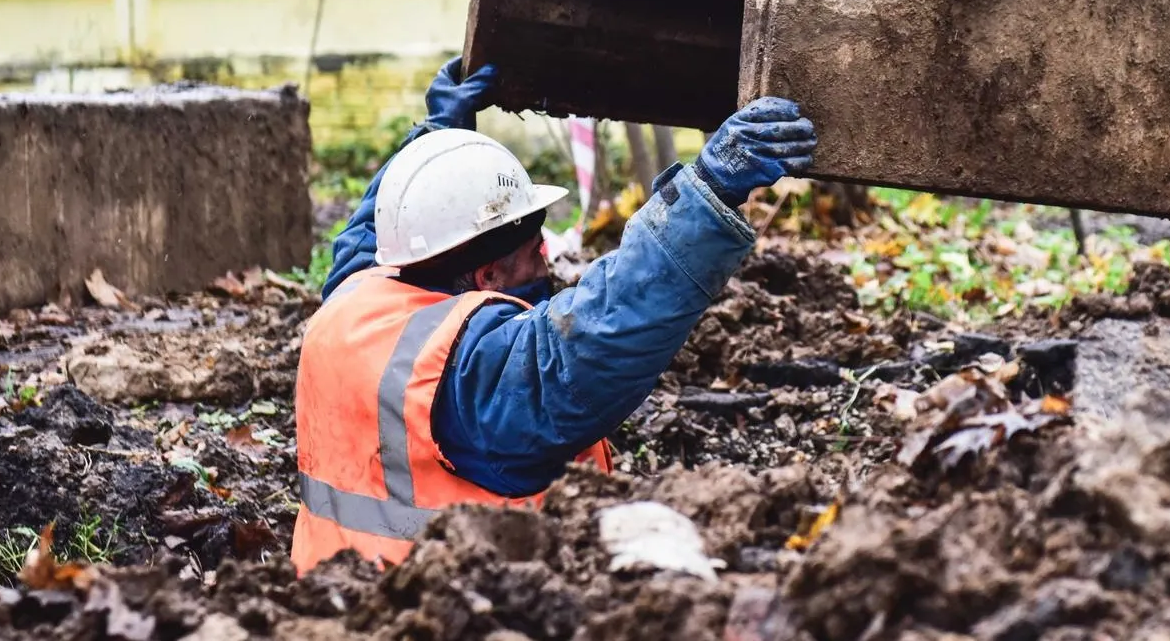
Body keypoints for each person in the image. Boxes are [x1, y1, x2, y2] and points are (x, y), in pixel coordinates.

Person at [291, 58, 816, 573]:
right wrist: (708, 192)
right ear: (487, 278)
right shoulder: (474, 377)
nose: (545, 254)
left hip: (320, 598)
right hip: (448, 610)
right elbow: (596, 335)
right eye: (531, 248)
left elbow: (373, 228)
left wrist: (438, 137)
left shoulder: (355, 294)